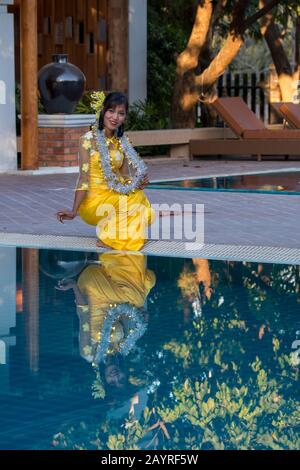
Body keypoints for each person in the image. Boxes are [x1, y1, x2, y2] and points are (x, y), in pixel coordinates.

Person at [56, 92, 155, 251]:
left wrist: (136, 184)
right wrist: (74, 211)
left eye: (120, 113)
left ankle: (116, 238)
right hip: (93, 201)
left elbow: (125, 177)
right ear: (103, 111)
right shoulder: (87, 140)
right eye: (111, 111)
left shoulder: (122, 141)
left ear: (125, 117)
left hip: (113, 194)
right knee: (130, 203)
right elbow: (83, 177)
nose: (115, 117)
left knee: (138, 198)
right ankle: (109, 238)